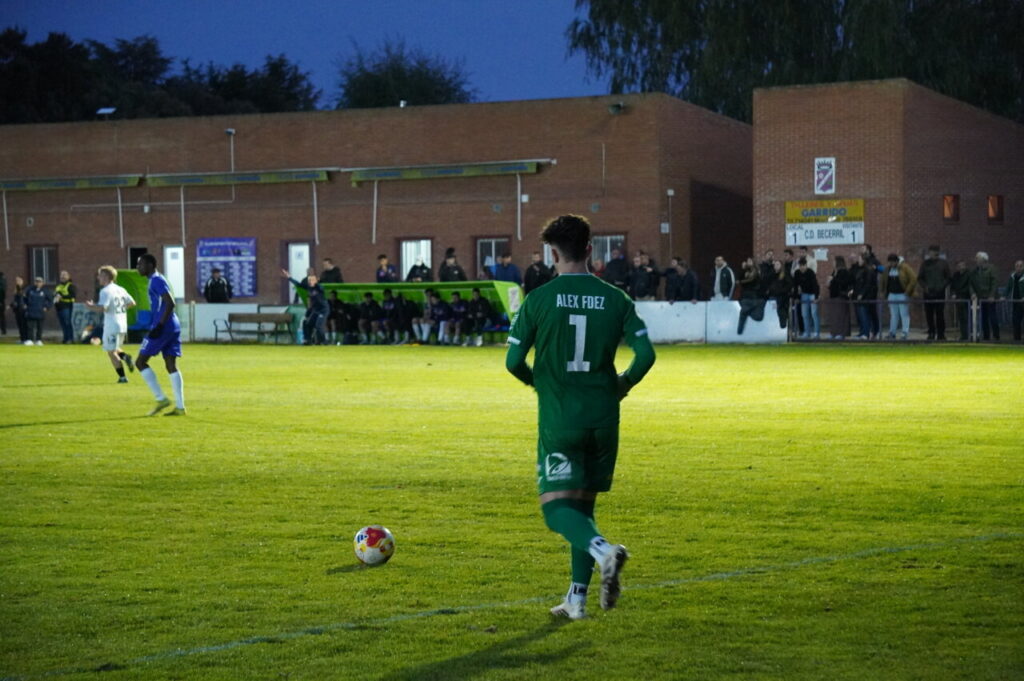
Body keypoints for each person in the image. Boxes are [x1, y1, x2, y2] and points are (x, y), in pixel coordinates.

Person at [505, 214, 655, 621]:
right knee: (582, 510)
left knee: (557, 510)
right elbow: (646, 356)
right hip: (604, 420)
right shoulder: (617, 299)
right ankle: (576, 599)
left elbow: (513, 361)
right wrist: (621, 385)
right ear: (590, 251)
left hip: (561, 420)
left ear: (553, 254)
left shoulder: (538, 300)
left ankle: (605, 551)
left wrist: (539, 383)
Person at [135, 254, 186, 416]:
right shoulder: (156, 279)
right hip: (172, 325)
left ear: (150, 265)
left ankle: (161, 398)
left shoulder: (156, 280)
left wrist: (160, 325)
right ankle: (179, 407)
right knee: (170, 364)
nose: (138, 268)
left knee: (140, 362)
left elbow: (170, 302)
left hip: (163, 326)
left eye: (141, 264)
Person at [84, 266, 137, 383]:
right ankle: (126, 357)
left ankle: (123, 377)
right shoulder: (120, 289)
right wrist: (120, 309)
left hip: (112, 324)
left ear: (106, 276)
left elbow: (104, 307)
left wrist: (91, 306)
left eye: (100, 275)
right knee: (115, 348)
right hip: (122, 324)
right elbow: (132, 302)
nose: (98, 278)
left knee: (110, 351)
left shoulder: (105, 291)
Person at [282, 268, 329, 345]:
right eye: (309, 280)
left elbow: (320, 287)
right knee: (307, 323)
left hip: (323, 309)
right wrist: (289, 277)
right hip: (316, 310)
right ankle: (307, 340)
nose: (310, 282)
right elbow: (298, 284)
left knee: (318, 325)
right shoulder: (309, 288)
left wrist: (316, 282)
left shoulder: (319, 288)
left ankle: (324, 341)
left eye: (312, 280)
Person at [917, 245, 951, 340]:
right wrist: (925, 287)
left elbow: (948, 278)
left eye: (936, 251)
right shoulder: (925, 264)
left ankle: (941, 334)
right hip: (928, 293)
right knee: (929, 314)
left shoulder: (943, 264)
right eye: (932, 251)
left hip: (940, 293)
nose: (934, 253)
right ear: (929, 252)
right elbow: (920, 278)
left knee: (940, 314)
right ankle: (931, 332)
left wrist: (942, 286)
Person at [880, 253, 917, 340]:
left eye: (893, 262)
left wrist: (907, 291)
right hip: (892, 294)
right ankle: (892, 332)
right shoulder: (888, 269)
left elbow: (913, 278)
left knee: (904, 314)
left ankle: (904, 333)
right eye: (890, 262)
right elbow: (883, 280)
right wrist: (882, 291)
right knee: (893, 315)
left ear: (897, 261)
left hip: (902, 294)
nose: (891, 264)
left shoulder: (905, 268)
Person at [970, 252, 1000, 341]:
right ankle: (986, 336)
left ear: (983, 259)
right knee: (984, 318)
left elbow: (994, 283)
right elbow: (971, 283)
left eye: (977, 258)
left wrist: (992, 295)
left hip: (989, 298)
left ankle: (996, 336)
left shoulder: (991, 269)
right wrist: (973, 293)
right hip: (981, 298)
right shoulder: (975, 271)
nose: (976, 260)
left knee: (992, 317)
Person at [851, 254, 878, 340]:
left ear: (864, 260)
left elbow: (867, 284)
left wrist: (861, 294)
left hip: (866, 297)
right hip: (860, 296)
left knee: (864, 316)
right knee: (861, 316)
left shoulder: (868, 270)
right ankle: (862, 332)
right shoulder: (860, 270)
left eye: (859, 259)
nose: (858, 261)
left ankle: (866, 333)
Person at [826, 255, 853, 340]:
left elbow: (844, 283)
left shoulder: (844, 272)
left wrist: (833, 279)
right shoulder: (834, 271)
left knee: (841, 316)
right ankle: (834, 332)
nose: (832, 263)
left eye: (834, 261)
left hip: (840, 296)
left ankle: (841, 333)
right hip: (833, 296)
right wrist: (829, 283)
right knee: (834, 316)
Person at [792, 257, 820, 339]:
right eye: (800, 266)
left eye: (803, 265)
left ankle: (816, 333)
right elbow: (795, 286)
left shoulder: (811, 272)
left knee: (814, 314)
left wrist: (816, 296)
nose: (802, 268)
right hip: (804, 294)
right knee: (804, 314)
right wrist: (796, 297)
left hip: (812, 294)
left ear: (806, 265)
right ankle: (807, 332)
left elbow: (815, 285)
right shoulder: (797, 273)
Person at [736, 257, 765, 335]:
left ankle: (739, 330)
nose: (748, 262)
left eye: (749, 261)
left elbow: (751, 280)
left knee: (757, 317)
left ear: (753, 262)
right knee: (743, 314)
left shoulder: (756, 272)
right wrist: (743, 269)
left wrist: (741, 282)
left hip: (753, 295)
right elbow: (739, 278)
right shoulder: (745, 271)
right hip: (745, 296)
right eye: (747, 261)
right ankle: (739, 331)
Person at [949, 260, 973, 341]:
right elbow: (952, 286)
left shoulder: (969, 274)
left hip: (966, 299)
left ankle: (969, 335)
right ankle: (964, 335)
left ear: (965, 266)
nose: (960, 267)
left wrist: (961, 294)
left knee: (967, 318)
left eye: (962, 265)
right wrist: (953, 294)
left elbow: (969, 286)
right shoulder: (955, 275)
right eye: (958, 266)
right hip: (958, 299)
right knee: (961, 318)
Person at [767, 260, 793, 330]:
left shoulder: (785, 274)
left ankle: (783, 327)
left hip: (782, 297)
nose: (776, 266)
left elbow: (789, 285)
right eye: (775, 264)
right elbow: (767, 283)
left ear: (781, 265)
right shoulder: (772, 274)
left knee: (781, 312)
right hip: (772, 297)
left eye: (778, 264)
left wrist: (781, 291)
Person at [25, 276, 51, 345]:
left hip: (40, 311)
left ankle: (38, 340)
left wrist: (47, 307)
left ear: (42, 283)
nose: (38, 283)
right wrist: (25, 305)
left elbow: (50, 300)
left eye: (40, 282)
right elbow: (24, 298)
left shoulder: (45, 291)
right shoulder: (30, 290)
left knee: (40, 327)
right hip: (31, 310)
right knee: (30, 326)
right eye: (37, 282)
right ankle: (30, 339)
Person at [54, 270, 77, 343]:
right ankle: (65, 339)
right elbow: (55, 294)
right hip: (59, 308)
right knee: (63, 324)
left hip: (67, 307)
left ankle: (70, 339)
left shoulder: (71, 286)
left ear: (68, 277)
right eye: (61, 275)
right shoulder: (58, 286)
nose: (63, 277)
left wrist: (62, 296)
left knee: (67, 323)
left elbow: (73, 295)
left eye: (64, 275)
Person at [1005, 260, 1024, 342]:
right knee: (1016, 321)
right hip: (1016, 302)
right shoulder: (1012, 277)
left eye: (1020, 266)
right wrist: (1004, 296)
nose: (1018, 268)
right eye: (1017, 266)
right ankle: (1017, 340)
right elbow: (1008, 287)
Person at [10, 276, 30, 344]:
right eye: (16, 280)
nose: (17, 282)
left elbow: (22, 296)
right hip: (17, 310)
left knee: (24, 325)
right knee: (19, 325)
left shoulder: (24, 289)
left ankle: (26, 339)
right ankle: (22, 339)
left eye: (19, 280)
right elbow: (16, 300)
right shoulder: (16, 289)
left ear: (22, 281)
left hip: (22, 309)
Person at [0, 271, 6, 335]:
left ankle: (3, 330)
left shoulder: (2, 282)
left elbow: (2, 291)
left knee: (2, 316)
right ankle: (3, 330)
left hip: (1, 301)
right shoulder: (3, 281)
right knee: (2, 316)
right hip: (2, 301)